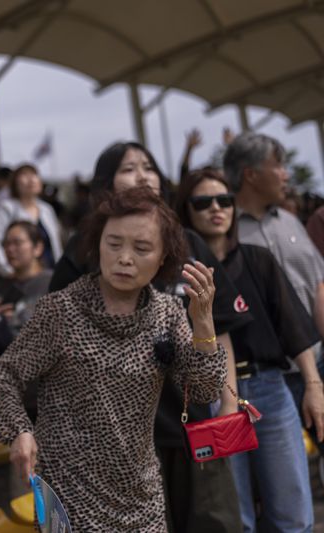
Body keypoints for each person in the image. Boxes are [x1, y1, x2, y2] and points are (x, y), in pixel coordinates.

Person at [0, 186, 226, 531]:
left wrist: (203, 320)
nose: (125, 257)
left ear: (163, 258)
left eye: (142, 248)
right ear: (97, 244)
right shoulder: (61, 310)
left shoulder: (168, 313)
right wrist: (20, 430)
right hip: (69, 493)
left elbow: (205, 391)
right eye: (113, 244)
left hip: (141, 492)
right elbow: (6, 376)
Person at [50, 141, 246, 533]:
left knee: (213, 523)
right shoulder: (85, 247)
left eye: (149, 166)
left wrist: (229, 403)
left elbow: (218, 327)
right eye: (129, 168)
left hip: (194, 422)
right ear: (106, 184)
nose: (143, 175)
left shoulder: (190, 243)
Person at [175, 167, 324, 532]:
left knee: (294, 514)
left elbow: (293, 327)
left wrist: (314, 386)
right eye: (203, 201)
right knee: (234, 516)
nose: (217, 208)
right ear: (186, 210)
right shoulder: (180, 273)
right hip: (211, 397)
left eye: (225, 200)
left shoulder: (257, 258)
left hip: (268, 389)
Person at [224, 133, 324, 424]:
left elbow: (318, 283)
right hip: (265, 380)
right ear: (251, 175)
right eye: (278, 166)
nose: (286, 174)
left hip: (316, 363)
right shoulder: (226, 234)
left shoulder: (291, 222)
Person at [0, 221, 52, 360]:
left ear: (37, 248)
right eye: (6, 244)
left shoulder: (52, 283)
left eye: (17, 243)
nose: (10, 249)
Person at [0, 163, 62, 277]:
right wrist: (7, 270)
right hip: (19, 278)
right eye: (24, 175)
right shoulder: (7, 208)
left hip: (48, 274)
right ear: (15, 183)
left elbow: (56, 245)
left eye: (34, 175)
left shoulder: (46, 209)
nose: (31, 179)